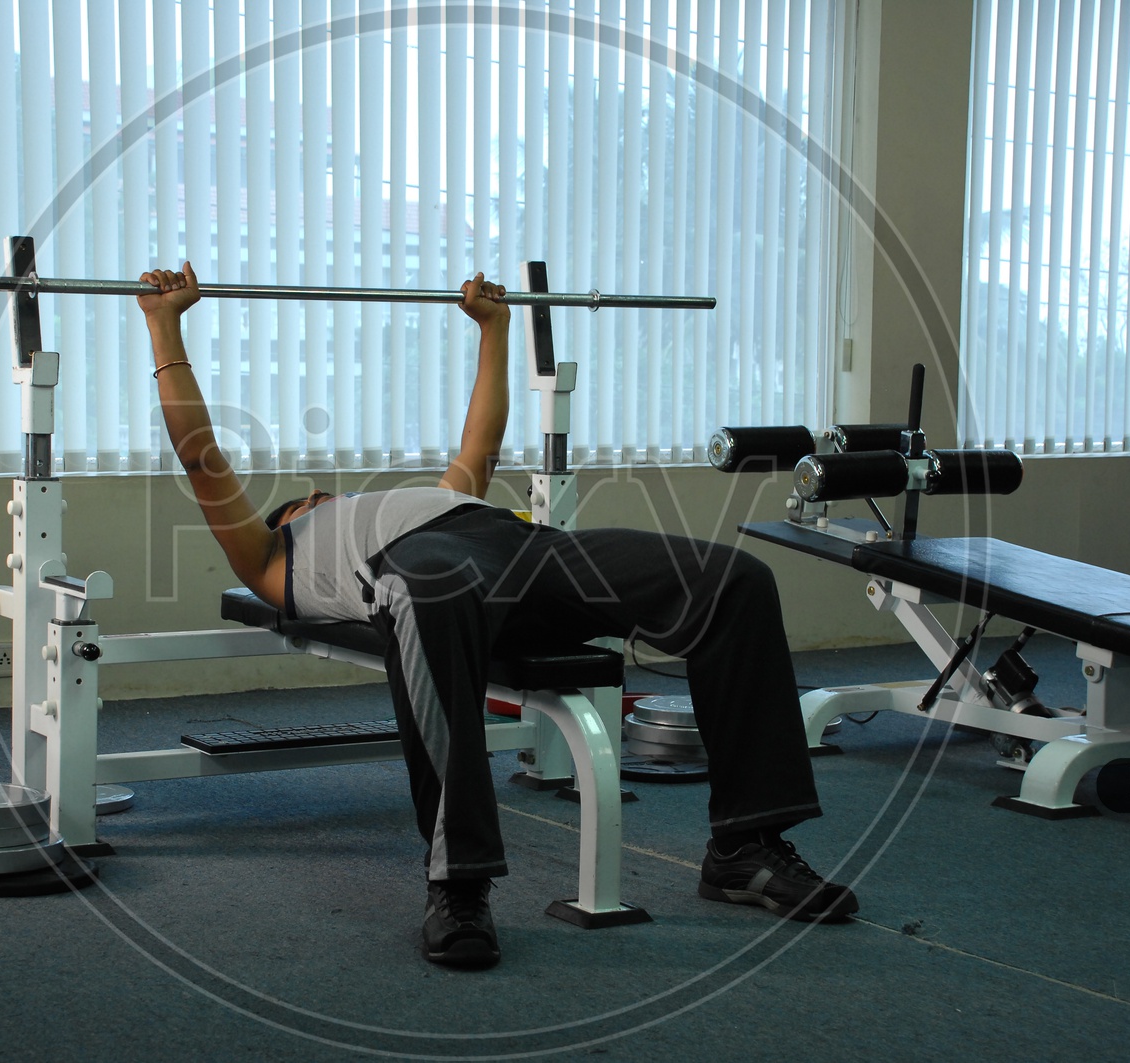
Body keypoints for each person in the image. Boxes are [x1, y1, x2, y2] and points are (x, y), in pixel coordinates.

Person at [139, 262, 858, 970]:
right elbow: (202, 458)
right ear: (291, 519)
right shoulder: (271, 557)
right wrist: (165, 327)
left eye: (323, 492)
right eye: (307, 499)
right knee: (431, 587)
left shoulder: (442, 492)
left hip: (523, 552)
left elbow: (481, 437)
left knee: (732, 580)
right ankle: (458, 885)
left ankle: (745, 846)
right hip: (427, 575)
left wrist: (495, 327)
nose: (323, 494)